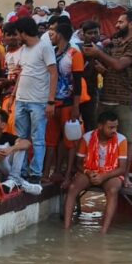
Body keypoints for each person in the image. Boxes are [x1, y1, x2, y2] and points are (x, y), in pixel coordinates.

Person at [82, 11, 132, 185]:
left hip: (125, 97)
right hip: (105, 95)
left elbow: (119, 65)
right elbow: (109, 66)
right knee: (97, 135)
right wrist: (100, 65)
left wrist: (98, 53)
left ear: (131, 24)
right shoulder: (114, 42)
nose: (116, 25)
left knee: (127, 138)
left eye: (120, 22)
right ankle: (96, 170)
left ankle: (126, 176)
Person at [63, 110, 128, 234]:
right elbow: (78, 163)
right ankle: (66, 228)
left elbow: (122, 168)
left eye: (116, 127)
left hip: (111, 173)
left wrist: (103, 176)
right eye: (110, 127)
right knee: (72, 188)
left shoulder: (122, 140)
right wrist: (88, 172)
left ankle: (103, 232)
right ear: (100, 126)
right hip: (89, 171)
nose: (114, 130)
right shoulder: (87, 137)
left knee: (113, 190)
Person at [13, 17, 57, 182]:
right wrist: (13, 95)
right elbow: (23, 72)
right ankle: (22, 170)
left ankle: (35, 173)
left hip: (38, 101)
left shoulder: (44, 47)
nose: (16, 37)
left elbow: (53, 73)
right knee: (21, 138)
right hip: (21, 100)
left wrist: (50, 101)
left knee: (38, 139)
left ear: (23, 32)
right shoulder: (24, 48)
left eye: (17, 33)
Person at [46, 22, 84, 181]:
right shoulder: (51, 52)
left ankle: (67, 175)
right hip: (52, 102)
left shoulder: (75, 54)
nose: (50, 36)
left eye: (53, 33)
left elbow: (77, 83)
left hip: (68, 103)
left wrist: (76, 106)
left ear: (60, 35)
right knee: (51, 140)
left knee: (69, 141)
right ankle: (45, 174)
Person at [0, 108, 41, 195]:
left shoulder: (7, 137)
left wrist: (10, 149)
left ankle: (13, 178)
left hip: (6, 172)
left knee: (19, 146)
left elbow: (27, 143)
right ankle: (18, 181)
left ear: (3, 125)